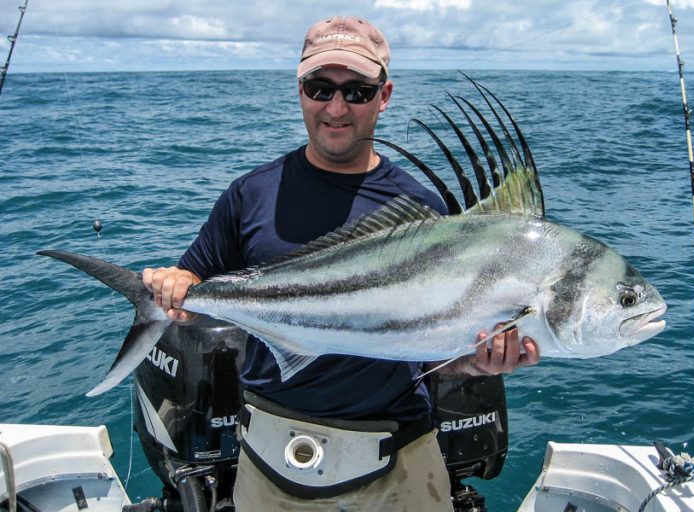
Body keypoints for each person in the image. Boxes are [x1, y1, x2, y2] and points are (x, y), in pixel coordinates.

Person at [142, 16, 540, 512]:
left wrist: (476, 361)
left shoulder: (422, 213)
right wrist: (174, 286)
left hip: (400, 460)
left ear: (384, 95)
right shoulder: (251, 194)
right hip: (269, 456)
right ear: (300, 89)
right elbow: (194, 284)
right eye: (319, 87)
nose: (335, 107)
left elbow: (428, 345)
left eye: (356, 91)